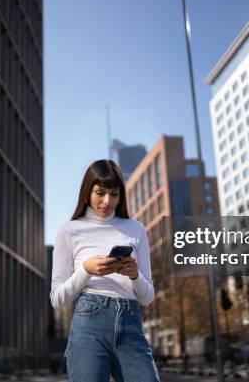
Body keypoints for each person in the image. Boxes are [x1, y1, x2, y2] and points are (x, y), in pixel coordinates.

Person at [50, 160, 160, 382]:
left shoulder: (135, 229)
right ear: (87, 191)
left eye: (114, 194)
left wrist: (135, 275)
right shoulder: (69, 231)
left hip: (131, 322)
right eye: (100, 193)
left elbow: (147, 298)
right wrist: (86, 270)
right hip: (89, 323)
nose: (107, 201)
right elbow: (57, 299)